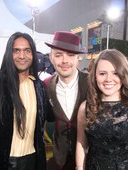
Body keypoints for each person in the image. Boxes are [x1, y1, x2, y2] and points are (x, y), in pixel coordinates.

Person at [0, 32, 51, 170]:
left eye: (27, 50)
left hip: (33, 162)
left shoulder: (39, 86)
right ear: (9, 54)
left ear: (33, 54)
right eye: (16, 50)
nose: (22, 56)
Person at [76, 49, 128, 170]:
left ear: (124, 75)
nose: (108, 79)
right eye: (102, 73)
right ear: (95, 76)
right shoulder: (85, 107)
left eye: (115, 73)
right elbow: (81, 144)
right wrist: (79, 167)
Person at [44, 31, 88, 170]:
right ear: (51, 57)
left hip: (89, 157)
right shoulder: (45, 85)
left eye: (70, 55)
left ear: (77, 58)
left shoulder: (92, 83)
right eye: (58, 55)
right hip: (59, 158)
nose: (65, 61)